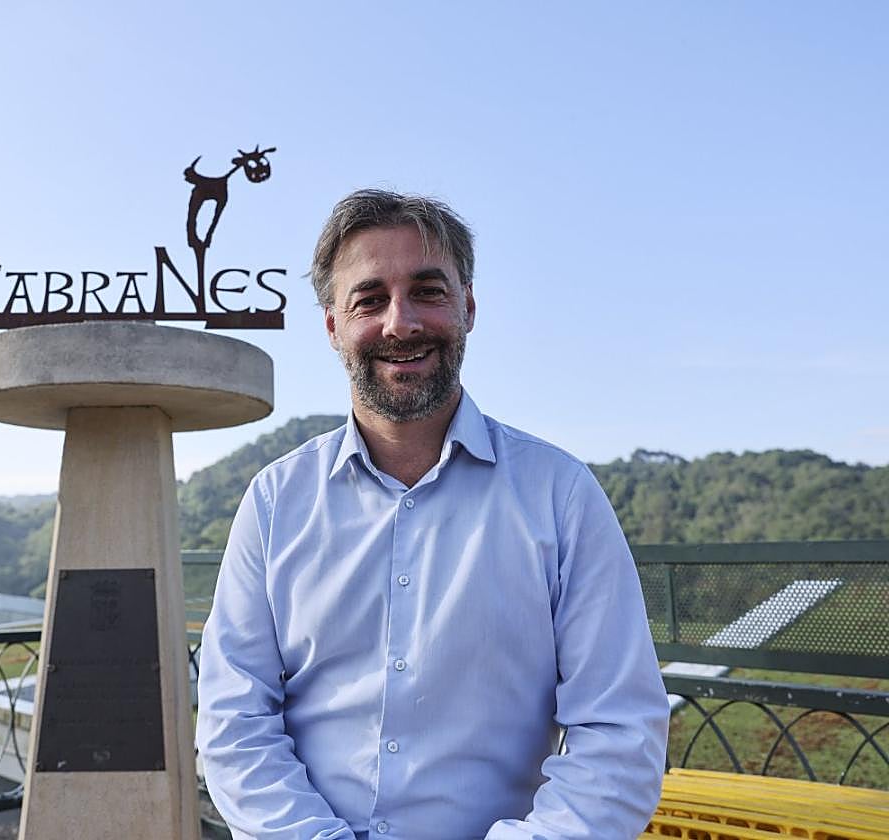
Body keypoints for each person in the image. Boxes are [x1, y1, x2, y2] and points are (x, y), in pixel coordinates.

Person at [196, 189, 669, 839]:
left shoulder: (560, 496)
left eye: (427, 292)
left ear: (467, 307)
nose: (401, 323)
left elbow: (618, 734)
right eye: (369, 300)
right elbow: (235, 722)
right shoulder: (276, 502)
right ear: (332, 326)